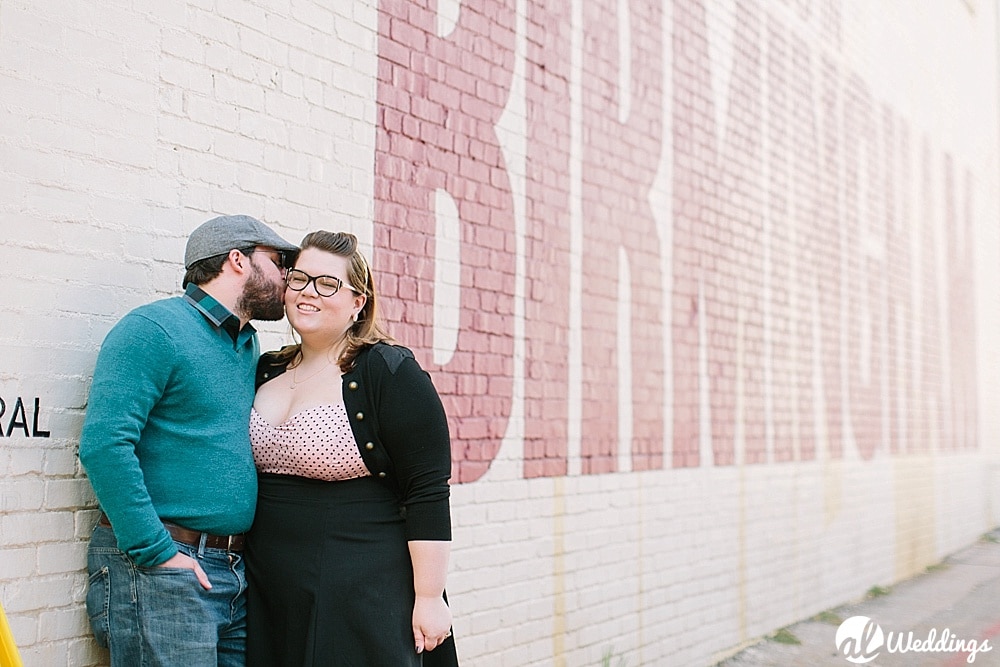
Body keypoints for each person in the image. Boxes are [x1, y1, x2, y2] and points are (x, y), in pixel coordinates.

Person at [79, 214, 299, 667]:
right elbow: (105, 446)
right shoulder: (154, 329)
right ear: (238, 260)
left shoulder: (244, 345)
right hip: (166, 564)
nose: (288, 277)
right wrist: (157, 554)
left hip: (234, 570)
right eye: (279, 262)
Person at [246, 231, 459, 666]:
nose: (309, 293)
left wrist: (429, 596)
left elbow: (427, 490)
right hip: (269, 585)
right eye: (300, 279)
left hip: (361, 585)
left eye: (327, 284)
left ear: (358, 302)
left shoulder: (389, 371)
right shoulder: (266, 367)